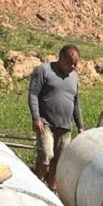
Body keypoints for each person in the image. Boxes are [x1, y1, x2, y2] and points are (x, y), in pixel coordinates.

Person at [28, 44, 83, 190]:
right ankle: (37, 185)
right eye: (70, 63)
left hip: (65, 126)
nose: (73, 66)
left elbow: (75, 103)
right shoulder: (44, 71)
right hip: (46, 123)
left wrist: (80, 126)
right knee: (46, 154)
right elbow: (33, 94)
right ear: (61, 58)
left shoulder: (74, 77)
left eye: (75, 63)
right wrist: (36, 118)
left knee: (59, 161)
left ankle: (52, 189)